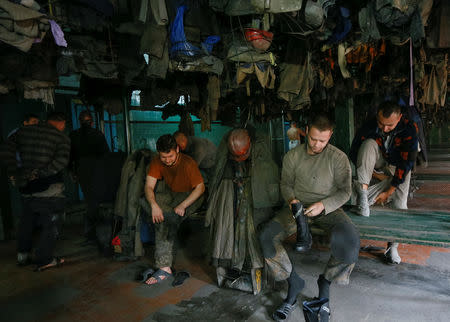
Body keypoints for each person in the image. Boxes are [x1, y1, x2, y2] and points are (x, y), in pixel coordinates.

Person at [259, 114, 360, 321]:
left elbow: (345, 192)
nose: (316, 144)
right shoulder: (293, 156)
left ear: (330, 135)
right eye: (313, 138)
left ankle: (325, 283)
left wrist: (324, 205)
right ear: (306, 131)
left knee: (350, 242)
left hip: (327, 209)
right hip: (297, 209)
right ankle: (293, 281)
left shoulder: (338, 158)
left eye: (322, 140)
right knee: (266, 238)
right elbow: (285, 184)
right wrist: (292, 200)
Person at [206, 128, 280, 293]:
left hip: (254, 197)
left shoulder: (262, 146)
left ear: (250, 145)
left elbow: (268, 177)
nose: (239, 159)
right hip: (232, 190)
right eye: (236, 156)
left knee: (252, 233)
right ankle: (232, 267)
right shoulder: (225, 149)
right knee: (227, 229)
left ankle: (252, 269)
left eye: (243, 155)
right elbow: (218, 172)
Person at [349, 101, 419, 264]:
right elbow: (354, 152)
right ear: (377, 116)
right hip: (377, 163)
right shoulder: (369, 125)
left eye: (389, 125)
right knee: (368, 144)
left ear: (399, 117)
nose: (384, 128)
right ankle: (363, 196)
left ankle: (392, 248)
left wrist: (389, 190)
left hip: (398, 165)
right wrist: (376, 175)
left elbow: (407, 163)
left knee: (400, 206)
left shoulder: (409, 129)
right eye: (381, 123)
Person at [3, 112, 70, 271]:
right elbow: (60, 162)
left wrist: (16, 172)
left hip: (25, 187)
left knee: (27, 221)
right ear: (60, 123)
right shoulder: (61, 138)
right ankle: (44, 259)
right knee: (52, 223)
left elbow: (5, 149)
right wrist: (39, 174)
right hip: (48, 188)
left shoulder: (22, 132)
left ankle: (23, 255)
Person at [144, 134, 205, 285]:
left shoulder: (188, 163)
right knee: (158, 215)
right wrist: (154, 205)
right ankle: (165, 266)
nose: (167, 160)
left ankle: (164, 266)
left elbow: (200, 188)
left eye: (170, 156)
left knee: (168, 219)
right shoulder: (157, 161)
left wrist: (183, 205)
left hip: (191, 195)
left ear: (177, 149)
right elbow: (149, 186)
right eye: (163, 157)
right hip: (171, 192)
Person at [69, 110, 110, 245]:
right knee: (98, 202)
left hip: (82, 171)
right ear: (92, 122)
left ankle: (92, 234)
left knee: (90, 202)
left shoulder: (73, 135)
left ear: (80, 121)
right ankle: (99, 234)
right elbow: (106, 156)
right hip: (98, 172)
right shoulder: (98, 134)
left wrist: (72, 172)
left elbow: (70, 157)